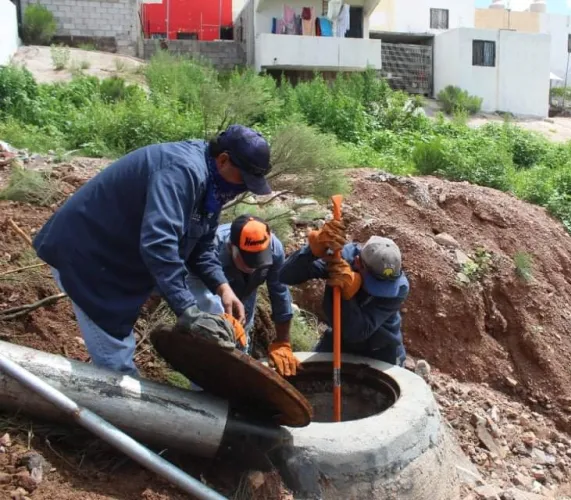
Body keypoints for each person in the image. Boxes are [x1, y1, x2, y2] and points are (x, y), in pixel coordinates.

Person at [33, 125, 273, 377]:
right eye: (244, 181)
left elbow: (201, 246)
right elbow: (159, 243)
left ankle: (208, 388)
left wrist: (222, 287)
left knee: (205, 311)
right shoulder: (182, 171)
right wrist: (187, 310)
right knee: (116, 361)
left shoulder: (213, 185)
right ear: (223, 159)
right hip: (87, 256)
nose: (243, 189)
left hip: (119, 258)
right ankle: (116, 409)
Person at [279, 222, 409, 366]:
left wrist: (348, 293)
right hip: (338, 339)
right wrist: (310, 251)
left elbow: (358, 331)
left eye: (384, 285)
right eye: (374, 281)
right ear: (359, 263)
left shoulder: (399, 288)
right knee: (310, 374)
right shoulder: (342, 259)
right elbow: (285, 276)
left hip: (380, 349)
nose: (379, 289)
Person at [187, 215, 300, 377]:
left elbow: (280, 293)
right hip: (208, 292)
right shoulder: (210, 248)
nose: (254, 266)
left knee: (241, 341)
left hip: (245, 294)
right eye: (248, 260)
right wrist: (219, 318)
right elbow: (198, 291)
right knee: (209, 346)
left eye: (259, 260)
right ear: (230, 247)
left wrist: (283, 342)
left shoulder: (274, 249)